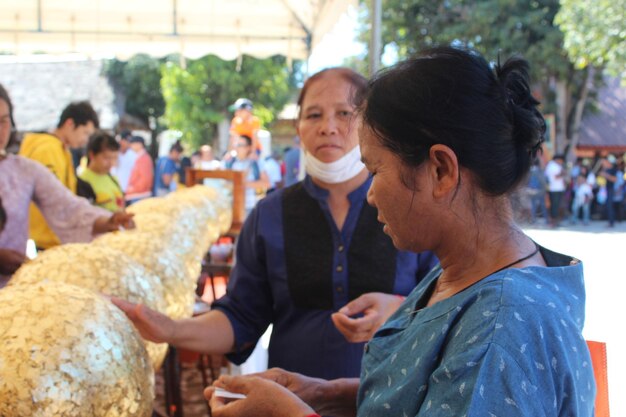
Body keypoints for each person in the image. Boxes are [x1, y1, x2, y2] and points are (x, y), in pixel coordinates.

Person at [204, 47, 595, 417]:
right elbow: (426, 392)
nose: (370, 195)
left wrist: (290, 412)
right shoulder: (460, 278)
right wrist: (326, 395)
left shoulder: (502, 328)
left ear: (441, 170)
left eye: (375, 171)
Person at [112, 67, 437, 382]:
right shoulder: (268, 216)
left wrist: (402, 310)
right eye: (313, 115)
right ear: (298, 127)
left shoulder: (409, 207)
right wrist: (171, 329)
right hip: (292, 402)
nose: (328, 127)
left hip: (395, 401)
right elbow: (240, 318)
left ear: (371, 124)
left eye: (344, 113)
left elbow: (455, 306)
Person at [0, 84, 134, 286]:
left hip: (10, 290)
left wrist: (106, 221)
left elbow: (65, 205)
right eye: (86, 133)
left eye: (4, 121)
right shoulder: (47, 148)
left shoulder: (23, 170)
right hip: (42, 245)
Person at [18, 100, 99, 250]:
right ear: (70, 124)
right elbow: (52, 199)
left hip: (53, 236)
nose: (85, 140)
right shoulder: (48, 150)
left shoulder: (61, 149)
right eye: (85, 133)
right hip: (45, 237)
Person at [77, 132, 125, 212]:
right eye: (107, 158)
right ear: (92, 155)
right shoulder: (83, 182)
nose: (111, 163)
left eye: (115, 158)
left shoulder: (113, 178)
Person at [225, 135, 270, 213]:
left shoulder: (256, 163)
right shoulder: (229, 163)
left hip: (252, 207)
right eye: (237, 145)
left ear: (248, 147)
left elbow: (266, 184)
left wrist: (242, 183)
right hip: (232, 207)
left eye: (241, 145)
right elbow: (224, 183)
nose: (237, 148)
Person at [125, 136, 154, 203]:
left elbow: (145, 180)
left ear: (139, 144)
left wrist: (132, 189)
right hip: (137, 195)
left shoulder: (144, 159)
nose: (131, 146)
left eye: (132, 144)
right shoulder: (140, 157)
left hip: (140, 195)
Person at [544, 154, 566, 227]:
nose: (561, 162)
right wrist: (563, 173)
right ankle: (553, 221)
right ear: (558, 159)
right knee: (554, 206)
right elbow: (556, 177)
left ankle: (555, 221)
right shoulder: (552, 166)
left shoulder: (555, 166)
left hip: (557, 188)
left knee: (556, 205)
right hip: (554, 189)